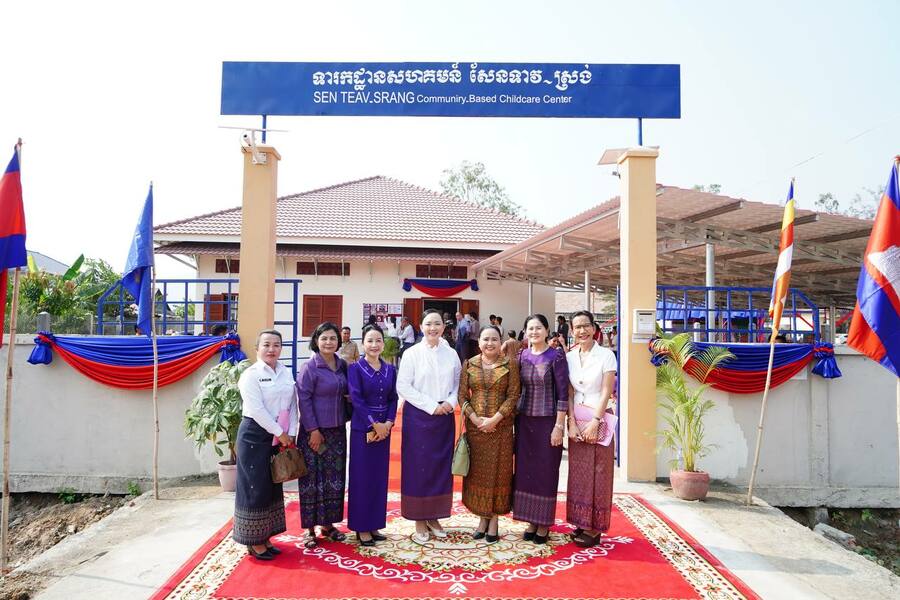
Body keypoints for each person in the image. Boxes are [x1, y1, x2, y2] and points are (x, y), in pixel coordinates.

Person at [396, 309, 462, 543]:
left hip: (444, 417)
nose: (433, 328)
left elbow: (458, 383)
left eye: (437, 324)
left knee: (440, 468)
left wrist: (450, 402)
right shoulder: (412, 353)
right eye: (428, 324)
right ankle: (419, 518)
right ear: (421, 327)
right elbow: (403, 386)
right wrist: (432, 406)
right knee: (418, 468)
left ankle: (434, 516)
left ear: (444, 327)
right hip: (419, 417)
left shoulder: (451, 354)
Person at [233, 329, 297, 560]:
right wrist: (281, 433)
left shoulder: (285, 372)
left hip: (279, 435)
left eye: (276, 345)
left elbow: (292, 404)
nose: (271, 349)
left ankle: (266, 536)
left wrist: (291, 433)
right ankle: (254, 541)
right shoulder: (250, 375)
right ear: (257, 348)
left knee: (271, 486)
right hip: (254, 435)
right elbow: (257, 409)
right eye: (266, 345)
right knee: (254, 488)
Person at [459, 325, 520, 543]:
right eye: (485, 339)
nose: (490, 343)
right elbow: (462, 396)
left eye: (494, 339)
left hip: (501, 429)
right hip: (476, 430)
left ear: (500, 342)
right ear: (479, 342)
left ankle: (493, 520)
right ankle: (482, 519)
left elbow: (513, 395)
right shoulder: (469, 364)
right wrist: (475, 419)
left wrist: (495, 419)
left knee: (499, 475)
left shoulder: (510, 364)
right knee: (477, 475)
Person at [513, 313, 569, 544]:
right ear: (525, 332)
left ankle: (544, 523)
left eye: (538, 328)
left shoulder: (556, 356)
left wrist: (559, 426)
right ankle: (530, 520)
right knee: (526, 472)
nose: (534, 332)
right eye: (530, 328)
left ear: (547, 331)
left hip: (548, 422)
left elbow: (563, 393)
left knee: (546, 472)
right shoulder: (521, 356)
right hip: (524, 422)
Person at [566, 310, 618, 548]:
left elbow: (607, 390)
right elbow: (569, 392)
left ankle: (595, 528)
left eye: (586, 326)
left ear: (594, 328)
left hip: (600, 417)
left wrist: (596, 420)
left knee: (599, 472)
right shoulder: (569, 357)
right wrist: (571, 422)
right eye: (577, 327)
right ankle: (581, 520)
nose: (582, 331)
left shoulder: (606, 355)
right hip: (577, 418)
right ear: (571, 330)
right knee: (579, 472)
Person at [295, 322, 350, 548]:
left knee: (334, 480)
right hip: (314, 433)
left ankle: (328, 525)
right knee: (312, 480)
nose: (329, 342)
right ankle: (309, 529)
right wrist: (313, 430)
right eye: (324, 338)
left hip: (337, 432)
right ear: (316, 341)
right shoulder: (309, 367)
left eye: (333, 338)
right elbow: (304, 400)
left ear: (339, 341)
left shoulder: (342, 364)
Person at [347, 324, 398, 546]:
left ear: (383, 344)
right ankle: (361, 527)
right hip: (363, 429)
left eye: (378, 340)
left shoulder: (390, 370)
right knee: (362, 478)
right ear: (363, 344)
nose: (374, 345)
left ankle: (375, 524)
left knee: (378, 478)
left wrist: (388, 423)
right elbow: (356, 399)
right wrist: (374, 424)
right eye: (370, 340)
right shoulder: (355, 369)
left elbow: (393, 398)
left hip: (384, 431)